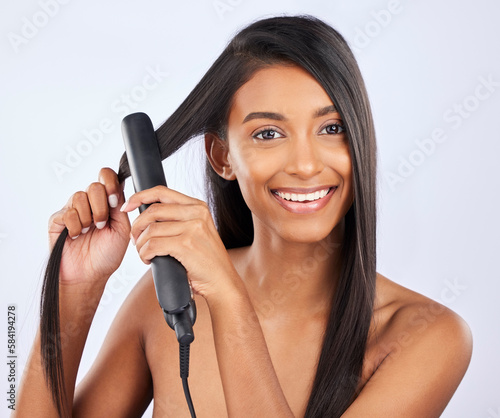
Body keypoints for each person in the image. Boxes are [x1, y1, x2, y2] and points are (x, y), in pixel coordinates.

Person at [14, 15, 472, 417]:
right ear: (222, 156)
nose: (307, 165)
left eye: (331, 128)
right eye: (269, 133)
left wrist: (231, 300)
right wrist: (73, 289)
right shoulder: (162, 307)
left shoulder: (427, 336)